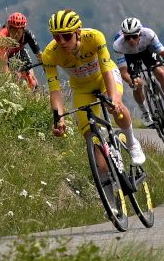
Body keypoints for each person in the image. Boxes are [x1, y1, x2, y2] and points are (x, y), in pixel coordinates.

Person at [43, 9, 146, 167]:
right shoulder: (50, 54)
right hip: (81, 88)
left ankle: (132, 143)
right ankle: (106, 184)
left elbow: (106, 70)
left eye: (67, 36)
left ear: (78, 32)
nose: (62, 41)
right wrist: (60, 120)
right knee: (92, 137)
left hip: (104, 78)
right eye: (57, 37)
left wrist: (113, 98)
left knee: (115, 107)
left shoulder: (95, 37)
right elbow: (55, 91)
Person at [112, 17, 164, 127]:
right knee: (138, 84)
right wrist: (131, 81)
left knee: (160, 72)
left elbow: (163, 53)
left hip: (146, 51)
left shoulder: (149, 34)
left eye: (134, 36)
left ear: (140, 34)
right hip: (129, 56)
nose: (131, 40)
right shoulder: (118, 45)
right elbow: (123, 71)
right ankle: (145, 114)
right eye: (128, 37)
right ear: (123, 36)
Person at [0, 11, 44, 90]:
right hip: (4, 54)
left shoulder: (27, 34)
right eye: (14, 31)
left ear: (23, 30)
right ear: (8, 28)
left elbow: (40, 57)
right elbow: (4, 68)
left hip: (19, 51)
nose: (16, 35)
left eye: (19, 32)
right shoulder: (1, 39)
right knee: (10, 78)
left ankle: (34, 95)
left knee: (32, 81)